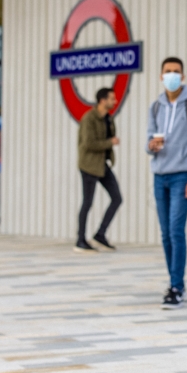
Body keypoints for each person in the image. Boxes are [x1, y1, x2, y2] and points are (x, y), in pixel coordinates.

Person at [146, 57, 187, 309]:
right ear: (161, 76)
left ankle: (176, 286)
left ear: (183, 76)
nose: (172, 75)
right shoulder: (155, 107)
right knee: (165, 234)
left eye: (176, 72)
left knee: (175, 230)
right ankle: (174, 281)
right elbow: (148, 142)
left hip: (182, 175)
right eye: (167, 72)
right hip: (159, 175)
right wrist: (151, 146)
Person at [75, 87, 123, 252]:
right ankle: (80, 240)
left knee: (117, 198)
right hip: (89, 165)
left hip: (103, 164)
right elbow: (88, 144)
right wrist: (110, 142)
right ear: (103, 100)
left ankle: (100, 234)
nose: (114, 101)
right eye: (112, 98)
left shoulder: (108, 118)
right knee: (87, 202)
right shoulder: (89, 118)